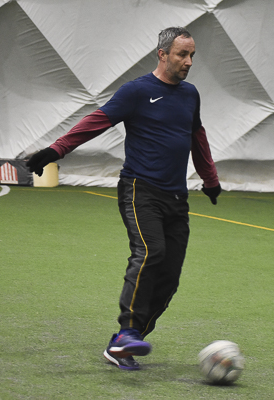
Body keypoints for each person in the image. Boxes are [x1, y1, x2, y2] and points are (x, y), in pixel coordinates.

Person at [26, 27, 221, 371]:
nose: (189, 62)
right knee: (150, 252)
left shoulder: (191, 94)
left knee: (169, 277)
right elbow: (97, 121)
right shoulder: (136, 91)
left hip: (177, 199)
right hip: (139, 190)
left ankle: (124, 344)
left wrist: (210, 179)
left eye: (192, 55)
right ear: (162, 54)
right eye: (182, 54)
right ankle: (127, 330)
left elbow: (197, 136)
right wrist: (56, 150)